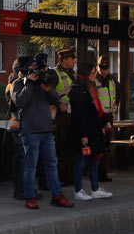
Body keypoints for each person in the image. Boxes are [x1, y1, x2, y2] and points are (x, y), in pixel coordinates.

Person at [13, 58, 74, 210]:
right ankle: (30, 197)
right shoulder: (18, 84)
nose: (36, 70)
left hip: (47, 129)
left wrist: (47, 87)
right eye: (32, 67)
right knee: (30, 166)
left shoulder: (41, 82)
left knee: (52, 164)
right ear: (24, 69)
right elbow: (20, 102)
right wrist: (30, 85)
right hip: (30, 130)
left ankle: (57, 195)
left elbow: (55, 99)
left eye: (36, 67)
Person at [68, 63, 112, 201]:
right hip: (84, 132)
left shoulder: (89, 88)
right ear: (86, 74)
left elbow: (96, 108)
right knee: (80, 161)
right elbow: (80, 114)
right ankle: (78, 190)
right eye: (92, 73)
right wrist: (83, 134)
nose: (94, 75)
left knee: (94, 159)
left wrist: (104, 122)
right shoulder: (77, 90)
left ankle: (95, 188)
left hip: (93, 130)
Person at [5, 56, 33, 200]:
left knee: (22, 159)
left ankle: (22, 189)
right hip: (19, 125)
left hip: (19, 125)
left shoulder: (15, 82)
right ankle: (20, 190)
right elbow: (18, 103)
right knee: (22, 159)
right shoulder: (15, 83)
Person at [49, 48, 78, 186]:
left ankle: (69, 175)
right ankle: (60, 177)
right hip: (61, 116)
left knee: (70, 147)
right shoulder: (54, 73)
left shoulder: (72, 73)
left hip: (72, 114)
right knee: (61, 147)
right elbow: (49, 92)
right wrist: (59, 102)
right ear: (64, 60)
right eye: (72, 58)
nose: (74, 61)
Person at [93, 56, 118, 183]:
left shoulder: (112, 80)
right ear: (97, 67)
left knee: (107, 145)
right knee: (99, 144)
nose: (103, 71)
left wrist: (116, 106)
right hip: (98, 116)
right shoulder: (94, 80)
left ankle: (103, 173)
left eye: (106, 68)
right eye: (101, 68)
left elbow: (117, 95)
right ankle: (96, 173)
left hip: (109, 115)